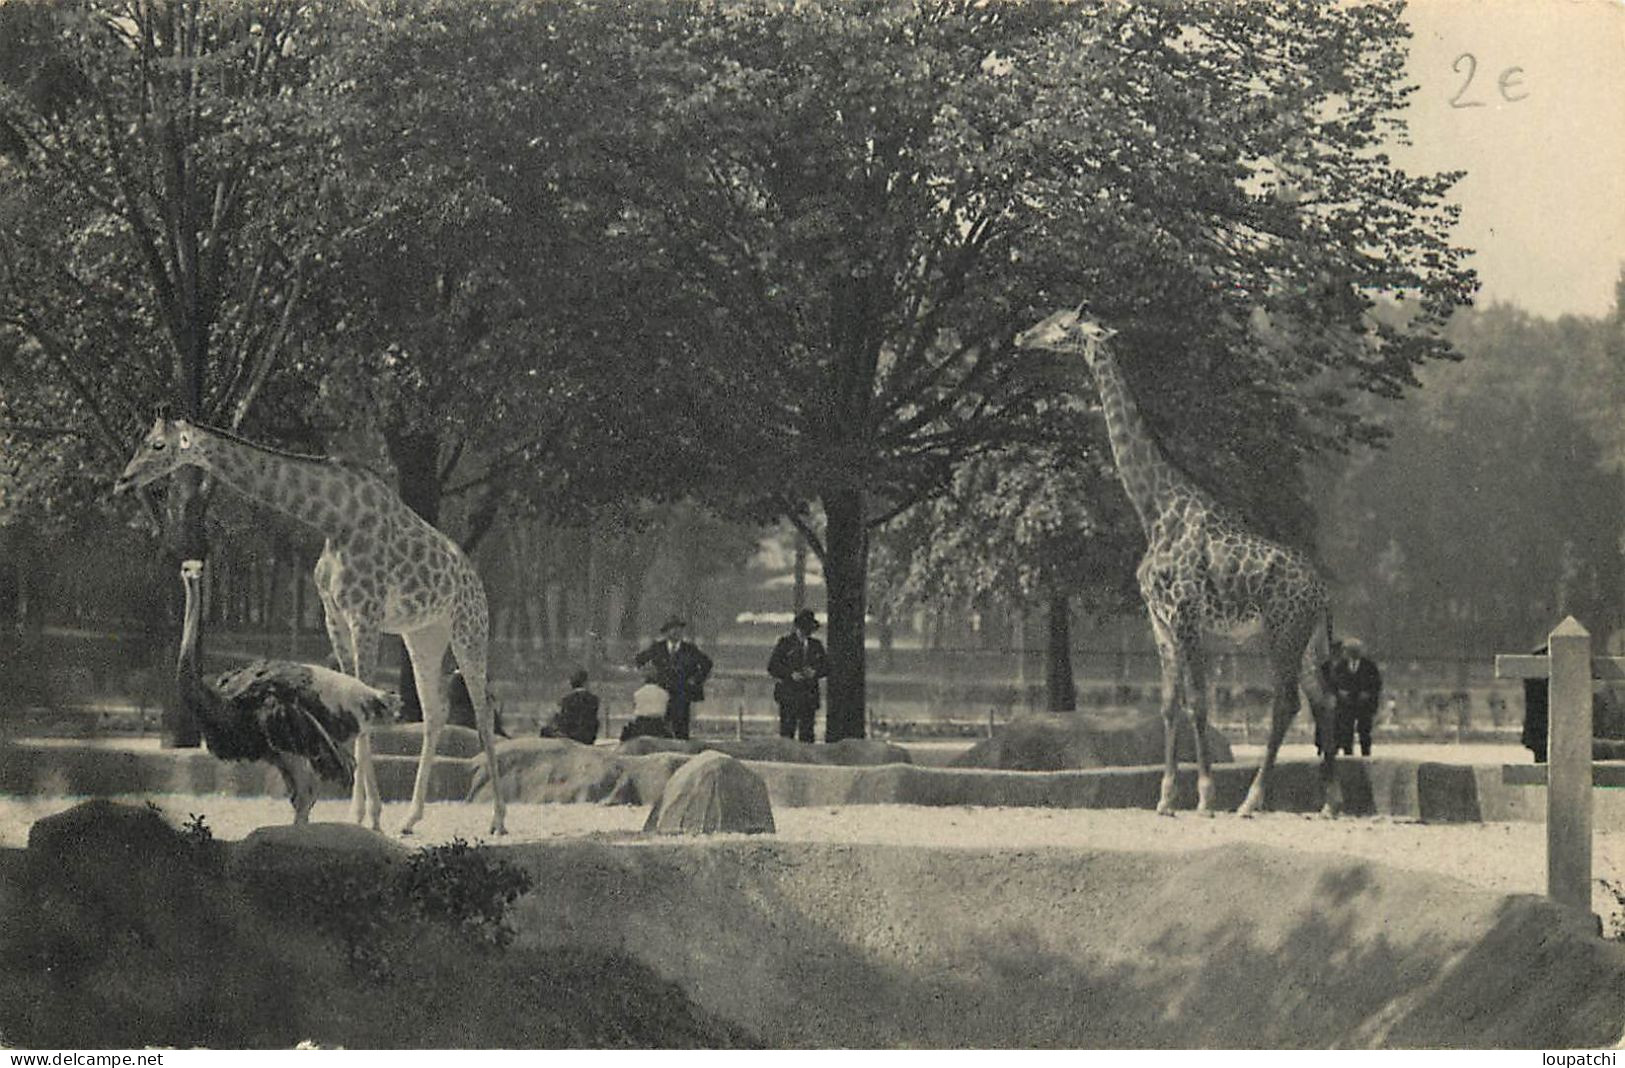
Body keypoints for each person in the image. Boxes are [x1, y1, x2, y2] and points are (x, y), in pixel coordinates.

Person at [633, 615, 713, 740]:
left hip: (682, 694)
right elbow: (639, 660)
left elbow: (707, 664)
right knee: (662, 729)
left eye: (679, 629)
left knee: (681, 730)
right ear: (666, 632)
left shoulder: (690, 649)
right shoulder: (657, 648)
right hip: (662, 695)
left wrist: (696, 680)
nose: (676, 632)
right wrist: (650, 677)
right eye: (673, 629)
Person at [768, 609, 830, 744]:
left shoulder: (816, 646)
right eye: (804, 628)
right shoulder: (785, 644)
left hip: (808, 696)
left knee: (807, 734)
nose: (806, 632)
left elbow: (827, 667)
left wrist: (814, 672)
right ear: (798, 627)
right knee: (787, 732)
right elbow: (772, 667)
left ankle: (805, 761)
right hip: (789, 695)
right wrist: (790, 675)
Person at [1329, 638, 1382, 757]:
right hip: (1346, 704)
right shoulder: (1340, 666)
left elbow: (1377, 683)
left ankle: (1366, 754)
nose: (1352, 653)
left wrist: (1368, 693)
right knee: (1346, 731)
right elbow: (1333, 684)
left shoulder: (1369, 666)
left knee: (1364, 731)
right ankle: (1348, 755)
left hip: (1364, 705)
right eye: (1349, 650)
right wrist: (1340, 693)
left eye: (1355, 650)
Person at [539, 669, 599, 745]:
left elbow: (562, 720)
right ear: (585, 683)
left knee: (545, 730)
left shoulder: (566, 700)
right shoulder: (593, 699)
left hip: (570, 736)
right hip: (586, 737)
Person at [620, 662, 676, 743]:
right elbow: (668, 712)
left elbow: (634, 708)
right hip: (658, 726)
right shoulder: (664, 693)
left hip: (640, 725)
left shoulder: (637, 693)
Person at [1314, 640, 1344, 757]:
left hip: (1339, 697)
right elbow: (1321, 680)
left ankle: (1335, 744)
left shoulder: (1343, 665)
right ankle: (1322, 745)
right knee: (1324, 722)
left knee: (1337, 722)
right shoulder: (1325, 666)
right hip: (1327, 696)